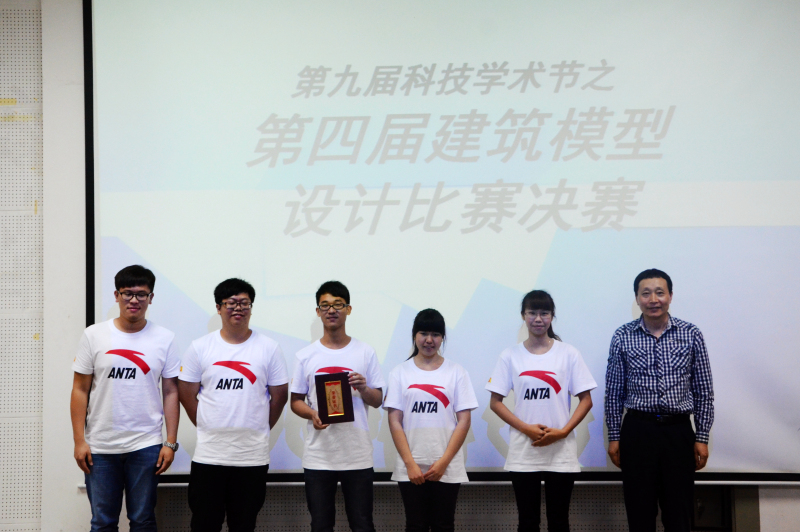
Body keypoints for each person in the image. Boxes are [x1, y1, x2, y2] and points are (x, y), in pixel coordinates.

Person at [70, 264, 180, 531]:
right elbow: (80, 389)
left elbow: (171, 391)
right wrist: (79, 441)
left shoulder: (164, 338)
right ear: (116, 295)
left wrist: (170, 442)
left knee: (143, 520)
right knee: (102, 522)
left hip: (146, 445)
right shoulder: (94, 335)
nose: (134, 300)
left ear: (151, 298)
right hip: (100, 446)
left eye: (141, 294)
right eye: (127, 293)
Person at [605, 269, 714, 532]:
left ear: (670, 296)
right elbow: (614, 391)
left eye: (659, 293)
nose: (653, 299)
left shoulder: (691, 333)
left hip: (678, 433)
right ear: (637, 298)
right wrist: (614, 436)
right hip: (637, 432)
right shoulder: (622, 335)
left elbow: (703, 390)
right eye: (646, 293)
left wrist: (702, 437)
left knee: (679, 513)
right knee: (639, 512)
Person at [178, 278, 289, 532]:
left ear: (251, 307)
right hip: (210, 456)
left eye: (244, 303)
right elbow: (186, 394)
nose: (238, 308)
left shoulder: (269, 348)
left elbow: (279, 396)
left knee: (244, 525)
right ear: (218, 308)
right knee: (204, 525)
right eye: (231, 303)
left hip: (251, 457)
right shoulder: (200, 347)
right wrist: (206, 422)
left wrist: (259, 425)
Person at [486, 290, 596, 532]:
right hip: (524, 452)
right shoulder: (510, 355)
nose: (538, 319)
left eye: (544, 313)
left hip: (561, 452)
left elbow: (586, 400)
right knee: (527, 522)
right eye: (532, 313)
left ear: (552, 316)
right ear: (523, 316)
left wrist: (563, 432)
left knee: (559, 521)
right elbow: (495, 402)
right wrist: (526, 428)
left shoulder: (568, 353)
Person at [290, 281, 385, 532]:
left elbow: (378, 400)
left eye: (338, 304)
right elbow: (295, 401)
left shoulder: (365, 352)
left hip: (357, 455)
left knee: (362, 524)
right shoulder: (305, 355)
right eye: (325, 305)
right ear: (318, 311)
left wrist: (364, 388)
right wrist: (312, 414)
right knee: (321, 525)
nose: (331, 310)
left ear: (348, 309)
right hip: (319, 457)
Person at [384, 309, 478, 532]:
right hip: (411, 467)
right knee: (415, 525)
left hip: (446, 466)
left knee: (443, 525)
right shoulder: (399, 372)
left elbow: (464, 421)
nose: (429, 340)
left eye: (435, 334)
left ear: (442, 338)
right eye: (423, 333)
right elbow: (395, 421)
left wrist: (444, 462)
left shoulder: (457, 372)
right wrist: (410, 464)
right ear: (414, 336)